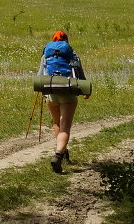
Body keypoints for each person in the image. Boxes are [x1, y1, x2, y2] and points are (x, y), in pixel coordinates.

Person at [39, 30, 89, 173]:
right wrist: (85, 90)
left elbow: (40, 73)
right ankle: (59, 155)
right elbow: (79, 73)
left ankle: (63, 152)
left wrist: (43, 91)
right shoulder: (72, 55)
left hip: (51, 93)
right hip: (68, 93)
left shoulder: (46, 55)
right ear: (66, 41)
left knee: (57, 123)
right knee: (65, 126)